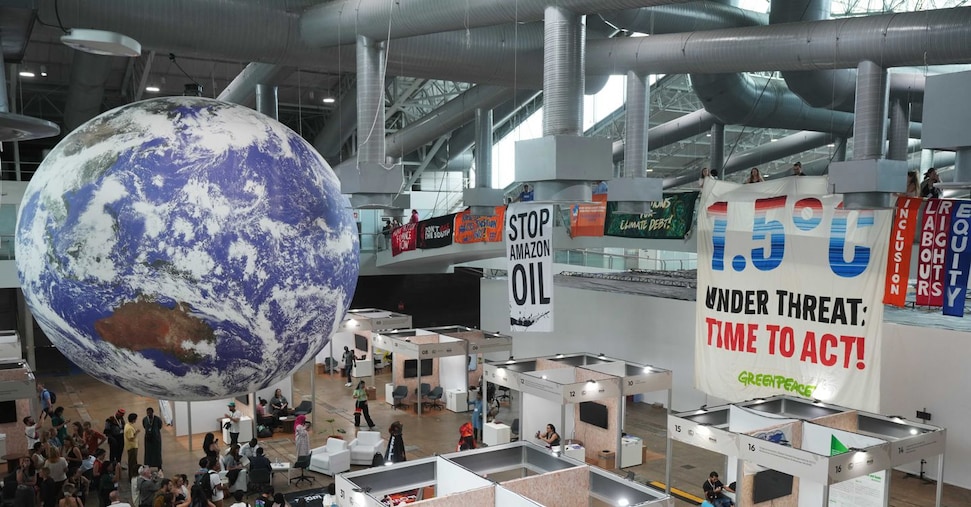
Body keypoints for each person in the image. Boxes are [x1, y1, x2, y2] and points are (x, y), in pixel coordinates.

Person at [124, 413, 140, 481]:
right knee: (132, 463)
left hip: (131, 446)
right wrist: (136, 433)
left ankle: (133, 475)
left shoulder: (127, 425)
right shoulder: (130, 428)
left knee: (133, 461)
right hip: (132, 447)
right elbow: (131, 438)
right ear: (133, 420)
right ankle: (132, 477)